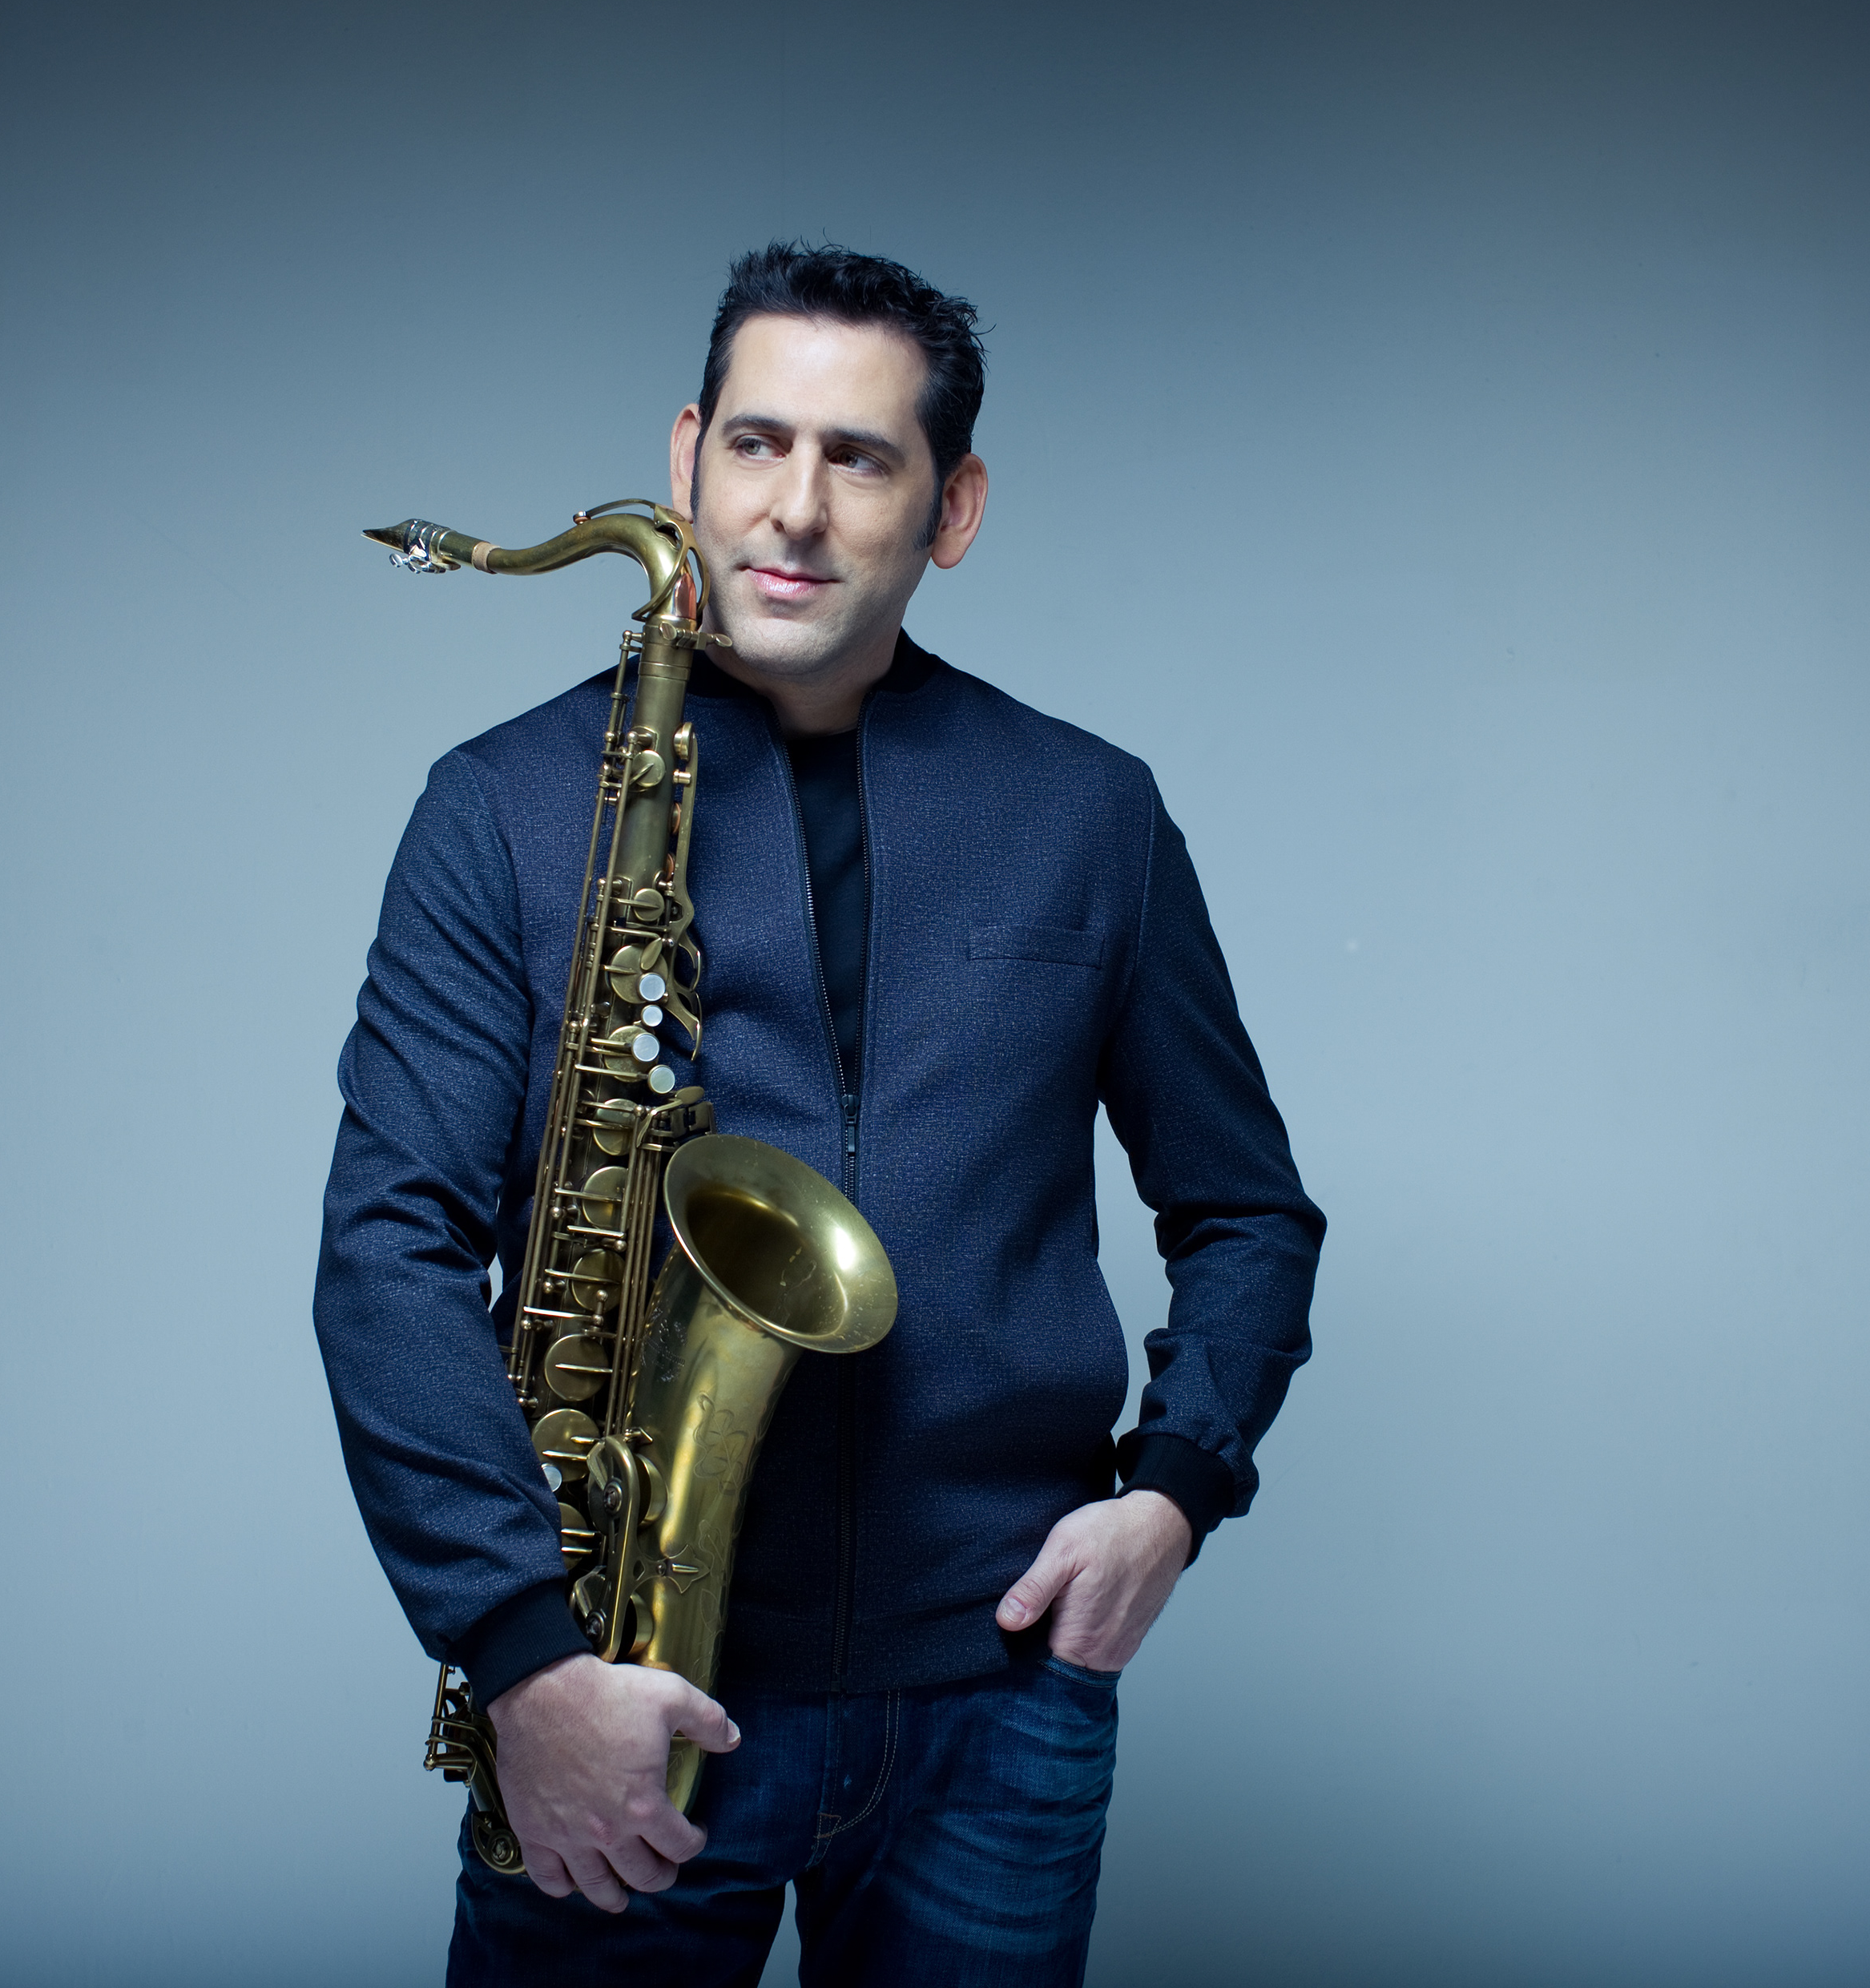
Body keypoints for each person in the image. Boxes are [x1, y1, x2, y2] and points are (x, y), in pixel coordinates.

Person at [316, 243, 1322, 1986]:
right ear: (686, 454)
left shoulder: (1090, 812)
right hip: (614, 1685)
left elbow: (1249, 1212)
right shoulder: (498, 807)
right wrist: (524, 1655)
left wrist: (1174, 1490)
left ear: (954, 507)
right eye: (757, 443)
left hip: (994, 1705)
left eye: (860, 457)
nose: (793, 508)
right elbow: (388, 1252)